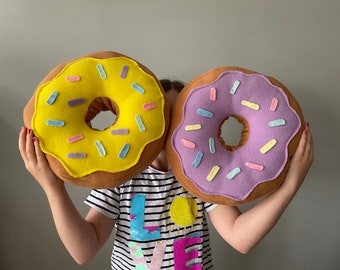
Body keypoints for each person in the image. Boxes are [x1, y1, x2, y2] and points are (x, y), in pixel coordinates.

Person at [18, 79, 314, 269]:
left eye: (181, 117)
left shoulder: (201, 176)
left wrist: (290, 185)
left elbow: (240, 238)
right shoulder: (120, 176)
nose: (172, 128)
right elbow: (84, 250)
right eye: (164, 116)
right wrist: (53, 188)